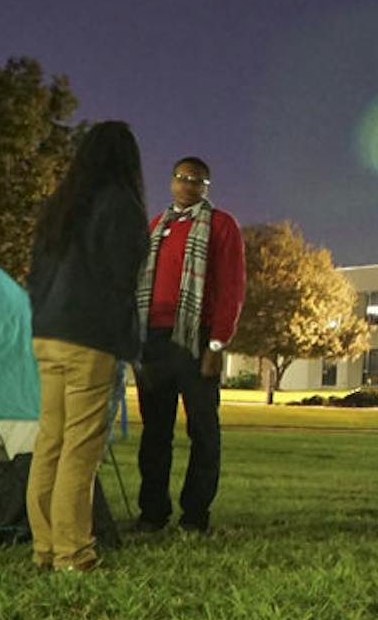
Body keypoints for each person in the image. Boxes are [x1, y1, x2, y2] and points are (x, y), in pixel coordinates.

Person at [24, 121, 148, 573]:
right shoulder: (122, 207)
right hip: (88, 338)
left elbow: (35, 274)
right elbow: (122, 281)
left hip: (47, 333)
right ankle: (73, 555)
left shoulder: (60, 205)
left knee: (50, 443)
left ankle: (44, 549)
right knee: (80, 448)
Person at [132, 156, 246, 534]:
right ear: (170, 182)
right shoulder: (156, 226)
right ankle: (152, 514)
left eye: (195, 180)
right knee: (155, 432)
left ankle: (195, 516)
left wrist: (216, 343)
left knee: (203, 430)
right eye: (180, 177)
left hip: (196, 338)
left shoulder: (221, 225)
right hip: (156, 340)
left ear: (205, 187)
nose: (186, 185)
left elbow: (232, 287)